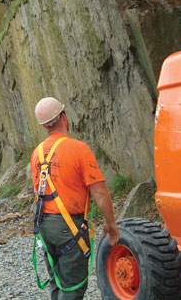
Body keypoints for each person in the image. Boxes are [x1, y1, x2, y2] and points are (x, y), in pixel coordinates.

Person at [31, 97, 119, 300]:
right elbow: (99, 192)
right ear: (63, 116)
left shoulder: (37, 154)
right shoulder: (79, 149)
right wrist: (111, 223)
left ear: (44, 125)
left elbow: (38, 191)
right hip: (68, 227)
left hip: (44, 226)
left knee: (57, 282)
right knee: (72, 287)